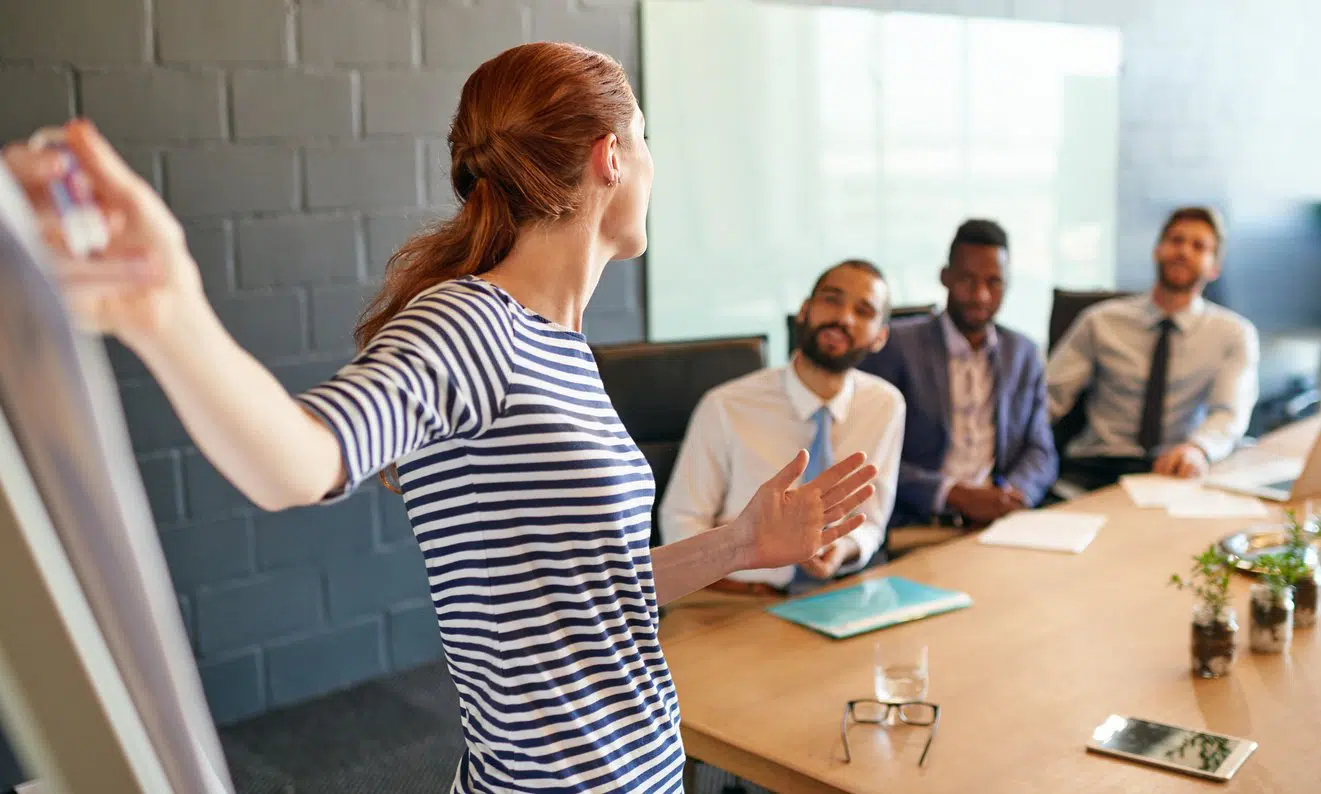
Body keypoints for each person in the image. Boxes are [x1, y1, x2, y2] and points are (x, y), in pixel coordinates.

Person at [3, 43, 881, 793]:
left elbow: (579, 595)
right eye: (648, 141)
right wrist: (169, 307)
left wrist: (739, 543)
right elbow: (300, 461)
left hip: (637, 764)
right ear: (611, 156)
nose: (653, 165)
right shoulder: (474, 324)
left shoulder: (554, 346)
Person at [660, 259, 904, 594]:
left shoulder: (885, 405)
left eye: (863, 311)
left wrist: (841, 550)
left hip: (835, 593)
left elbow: (872, 521)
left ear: (880, 337)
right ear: (805, 310)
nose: (844, 318)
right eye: (831, 300)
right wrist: (736, 572)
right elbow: (680, 523)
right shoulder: (725, 405)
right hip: (731, 597)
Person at [1046, 206, 1259, 491]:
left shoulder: (1234, 334)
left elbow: (1228, 413)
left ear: (1214, 267)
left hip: (1175, 468)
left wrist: (1198, 449)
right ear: (1157, 250)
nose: (1183, 251)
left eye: (1198, 246)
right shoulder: (1100, 321)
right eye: (1176, 240)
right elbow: (1049, 398)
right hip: (1094, 469)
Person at [862, 219, 1056, 529]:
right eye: (968, 279)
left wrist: (1014, 495)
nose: (980, 295)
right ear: (945, 277)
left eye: (993, 282)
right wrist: (951, 493)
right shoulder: (895, 346)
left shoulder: (1023, 353)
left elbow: (1041, 449)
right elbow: (869, 453)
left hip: (1001, 521)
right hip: (921, 523)